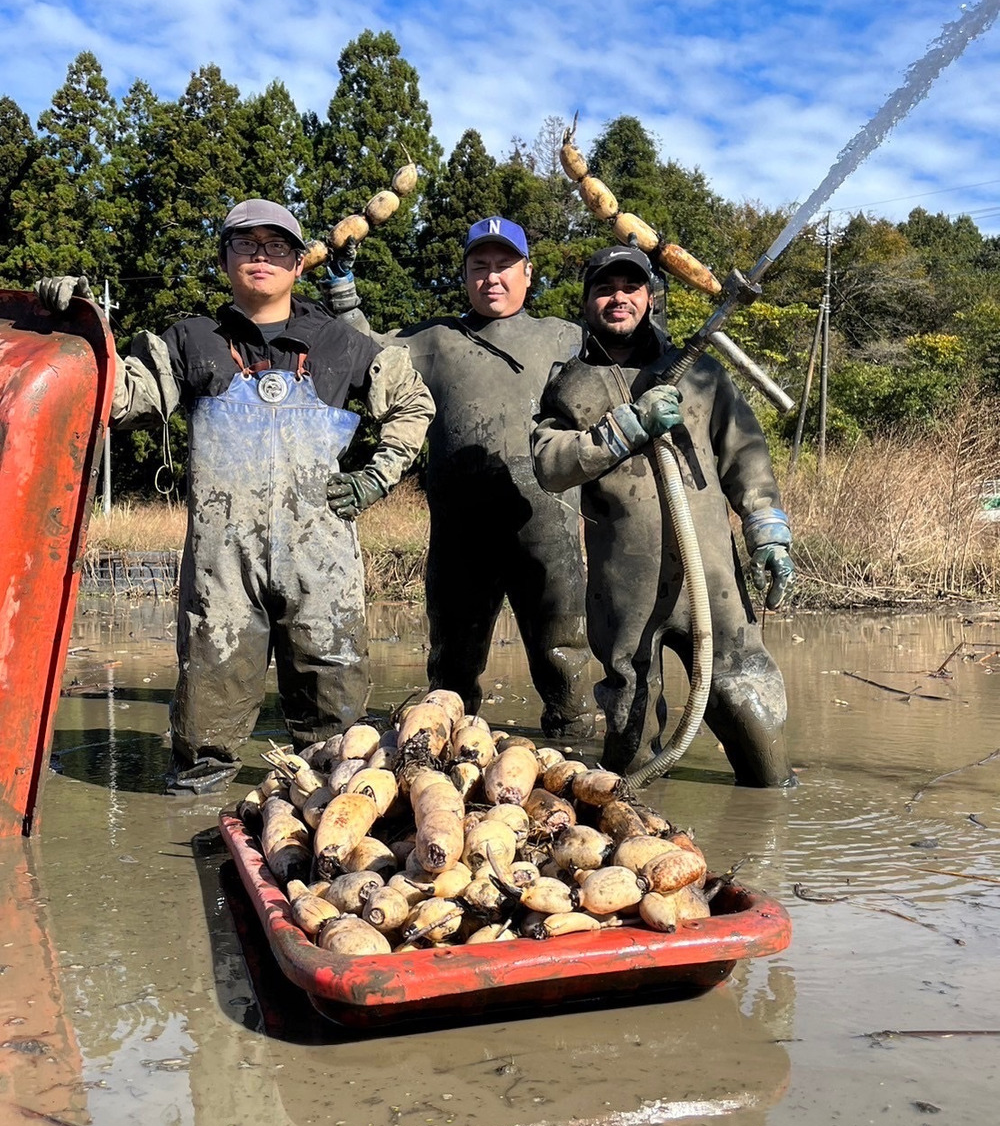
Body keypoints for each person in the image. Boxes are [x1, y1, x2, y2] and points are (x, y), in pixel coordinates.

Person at [38, 199, 434, 795]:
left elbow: (413, 402)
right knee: (205, 742)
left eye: (276, 246)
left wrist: (376, 477)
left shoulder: (340, 342)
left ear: (298, 263)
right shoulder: (191, 340)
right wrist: (82, 329)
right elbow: (117, 399)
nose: (260, 256)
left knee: (340, 743)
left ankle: (327, 826)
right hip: (222, 570)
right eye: (245, 244)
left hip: (322, 567)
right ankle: (194, 823)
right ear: (224, 258)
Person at [530, 245, 795, 786]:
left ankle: (771, 806)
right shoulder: (570, 385)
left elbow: (746, 456)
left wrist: (768, 533)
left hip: (711, 580)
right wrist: (625, 427)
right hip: (623, 587)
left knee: (752, 716)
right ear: (586, 302)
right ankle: (636, 814)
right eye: (604, 288)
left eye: (631, 287)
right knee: (629, 732)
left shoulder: (701, 374)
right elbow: (549, 464)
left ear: (650, 298)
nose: (618, 298)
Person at [326, 216, 594, 739]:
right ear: (465, 275)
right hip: (459, 534)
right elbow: (367, 354)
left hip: (548, 528)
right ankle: (443, 759)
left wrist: (649, 292)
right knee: (452, 664)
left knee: (565, 656)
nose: (492, 277)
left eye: (504, 265)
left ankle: (578, 754)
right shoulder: (434, 340)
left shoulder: (566, 338)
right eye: (480, 266)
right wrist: (342, 290)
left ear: (528, 273)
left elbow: (629, 360)